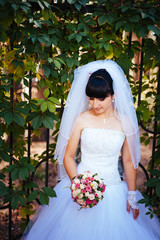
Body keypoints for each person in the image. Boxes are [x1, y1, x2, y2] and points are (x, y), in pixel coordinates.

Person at [23, 60, 160, 240]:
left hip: (114, 189)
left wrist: (132, 196)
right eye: (91, 98)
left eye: (101, 98)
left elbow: (128, 161)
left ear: (113, 95)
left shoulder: (125, 122)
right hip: (81, 183)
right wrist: (78, 185)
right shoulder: (81, 119)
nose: (95, 104)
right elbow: (69, 156)